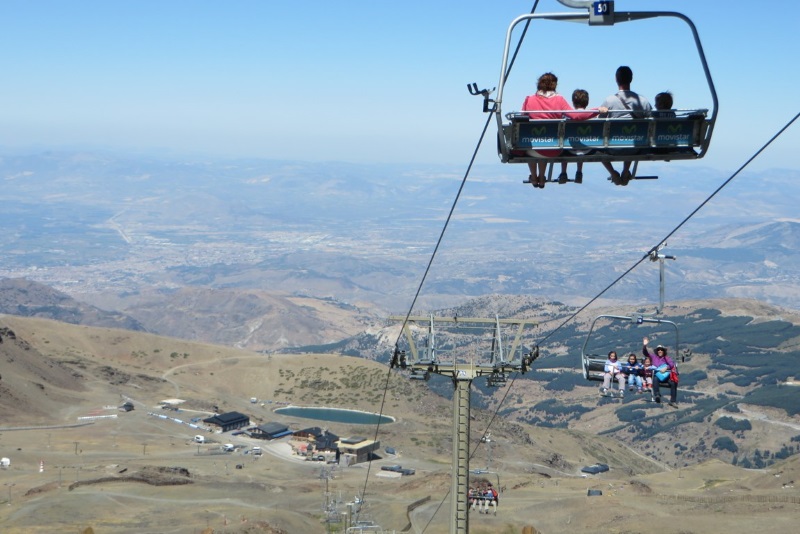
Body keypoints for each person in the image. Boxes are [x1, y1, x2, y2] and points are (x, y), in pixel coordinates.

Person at [600, 66, 653, 185]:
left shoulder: (609, 101)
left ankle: (613, 173)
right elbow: (651, 121)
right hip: (636, 147)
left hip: (613, 147)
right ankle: (625, 170)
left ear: (616, 79)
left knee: (598, 146)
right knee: (632, 138)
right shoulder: (642, 101)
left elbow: (600, 123)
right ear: (631, 79)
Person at [522, 72, 573, 188]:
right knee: (547, 142)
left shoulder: (529, 99)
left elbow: (522, 118)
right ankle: (541, 176)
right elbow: (574, 115)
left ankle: (534, 176)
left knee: (532, 143)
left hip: (534, 149)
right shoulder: (559, 100)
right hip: (554, 149)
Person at [564, 89, 607, 184]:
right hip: (588, 149)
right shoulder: (592, 116)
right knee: (583, 141)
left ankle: (563, 172)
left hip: (569, 150)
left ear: (573, 102)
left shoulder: (568, 117)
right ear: (587, 102)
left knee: (566, 142)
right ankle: (579, 171)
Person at [642, 336, 678, 407]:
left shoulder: (666, 358)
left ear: (664, 351)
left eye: (661, 350)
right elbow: (645, 353)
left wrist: (666, 367)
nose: (660, 351)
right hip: (658, 376)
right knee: (655, 378)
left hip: (666, 375)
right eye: (658, 350)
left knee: (673, 383)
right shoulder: (654, 357)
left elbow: (671, 364)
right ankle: (657, 395)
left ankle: (672, 401)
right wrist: (645, 345)